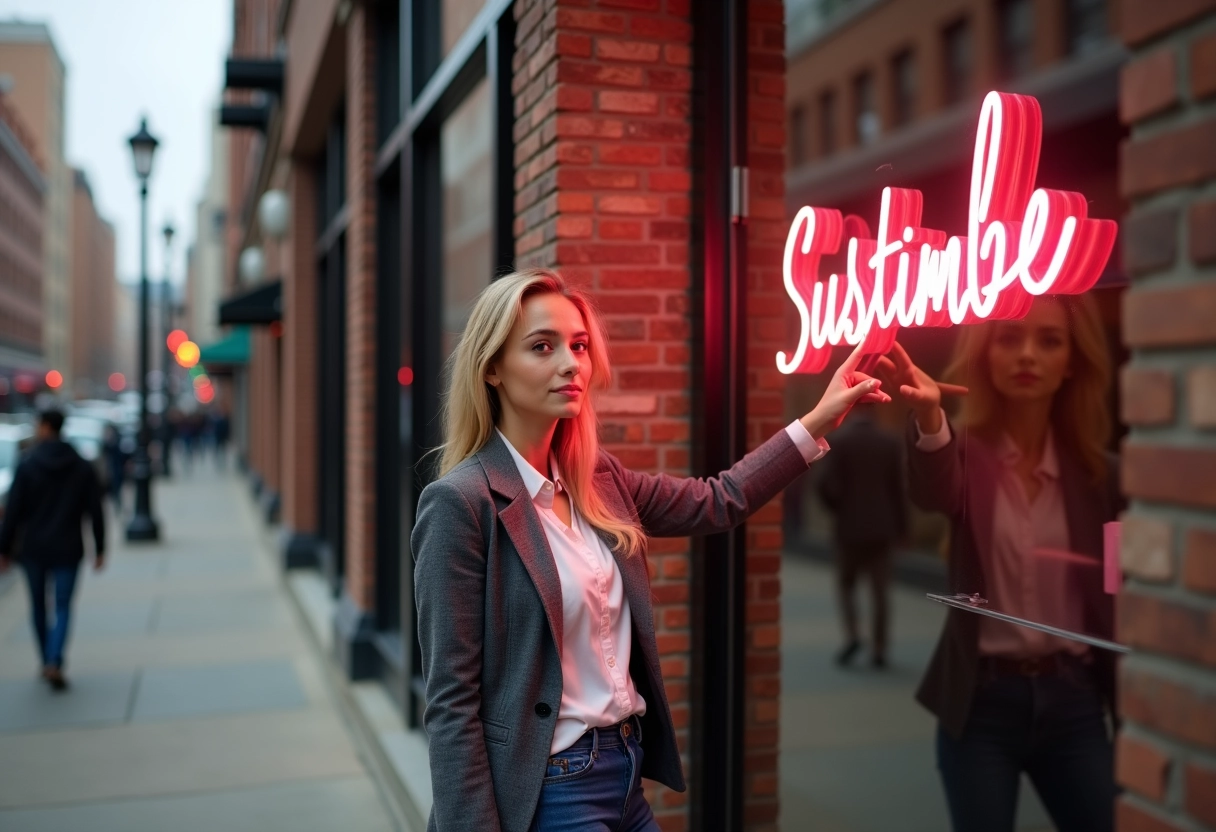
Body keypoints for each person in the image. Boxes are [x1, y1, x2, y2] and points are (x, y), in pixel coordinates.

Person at [412, 268, 888, 832]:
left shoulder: (596, 479)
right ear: (492, 368)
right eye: (543, 347)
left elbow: (719, 500)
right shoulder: (460, 504)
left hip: (624, 776)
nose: (571, 364)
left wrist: (817, 420)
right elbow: (451, 704)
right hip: (549, 790)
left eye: (580, 345)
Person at [878, 294, 1119, 832]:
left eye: (1050, 340)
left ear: (1073, 359)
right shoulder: (964, 454)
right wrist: (930, 413)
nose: (1028, 355)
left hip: (1075, 701)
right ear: (986, 354)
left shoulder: (1102, 477)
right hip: (982, 703)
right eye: (1010, 338)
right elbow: (931, 491)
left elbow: (1117, 594)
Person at [0, 409, 106, 691]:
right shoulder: (81, 465)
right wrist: (100, 547)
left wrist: (4, 549)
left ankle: (46, 657)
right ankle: (54, 659)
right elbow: (95, 511)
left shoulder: (28, 464)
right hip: (68, 547)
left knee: (37, 606)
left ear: (46, 427)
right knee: (62, 606)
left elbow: (13, 512)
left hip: (33, 549)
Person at [815, 404, 907, 668]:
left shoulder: (839, 442)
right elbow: (898, 490)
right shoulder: (889, 442)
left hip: (849, 528)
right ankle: (880, 648)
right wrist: (902, 529)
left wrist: (839, 509)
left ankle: (854, 635)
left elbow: (823, 485)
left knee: (846, 585)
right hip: (882, 528)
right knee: (880, 590)